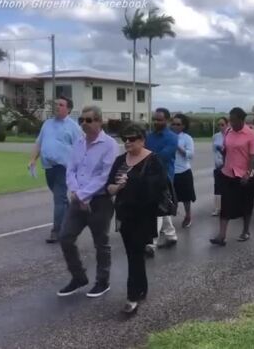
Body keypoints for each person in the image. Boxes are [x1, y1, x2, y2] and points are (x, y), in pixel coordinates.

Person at [57, 105, 119, 298]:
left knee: (101, 242)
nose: (84, 123)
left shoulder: (110, 145)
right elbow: (71, 170)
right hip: (78, 200)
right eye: (81, 120)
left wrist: (84, 195)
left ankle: (102, 281)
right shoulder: (78, 142)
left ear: (99, 122)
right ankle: (78, 277)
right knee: (65, 237)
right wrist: (76, 193)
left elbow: (104, 175)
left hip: (100, 201)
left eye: (89, 120)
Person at [106, 124, 167, 314]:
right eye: (125, 138)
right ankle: (142, 288)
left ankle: (132, 296)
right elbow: (109, 187)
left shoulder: (153, 160)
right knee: (134, 254)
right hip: (124, 214)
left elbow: (159, 186)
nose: (127, 142)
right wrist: (118, 187)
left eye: (132, 139)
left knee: (135, 254)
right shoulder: (119, 160)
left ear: (142, 139)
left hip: (143, 215)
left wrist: (132, 181)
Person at [29, 96, 83, 243]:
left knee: (58, 198)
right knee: (61, 199)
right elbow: (39, 143)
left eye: (61, 105)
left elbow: (81, 149)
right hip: (48, 167)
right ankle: (72, 219)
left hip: (63, 167)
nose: (57, 107)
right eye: (55, 104)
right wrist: (33, 159)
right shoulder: (47, 124)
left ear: (68, 109)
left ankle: (57, 231)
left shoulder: (74, 127)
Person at [210, 107, 254, 245]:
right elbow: (226, 149)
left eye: (234, 120)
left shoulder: (251, 134)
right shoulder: (229, 131)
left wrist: (247, 174)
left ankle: (245, 231)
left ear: (242, 120)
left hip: (245, 175)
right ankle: (221, 236)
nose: (231, 123)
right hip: (228, 173)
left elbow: (253, 157)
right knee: (225, 204)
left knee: (246, 205)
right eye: (230, 120)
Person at [146, 108, 179, 251]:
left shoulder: (172, 137)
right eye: (155, 119)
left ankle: (151, 242)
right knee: (161, 206)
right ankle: (171, 235)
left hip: (165, 177)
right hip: (149, 176)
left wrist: (147, 156)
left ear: (166, 120)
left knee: (156, 208)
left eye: (159, 119)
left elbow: (161, 157)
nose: (156, 122)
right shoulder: (149, 136)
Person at [171, 114, 196, 229]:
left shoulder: (187, 138)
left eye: (178, 124)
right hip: (170, 172)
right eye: (173, 123)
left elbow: (190, 155)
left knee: (186, 197)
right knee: (169, 197)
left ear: (183, 126)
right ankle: (167, 222)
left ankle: (188, 216)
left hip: (183, 171)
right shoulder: (168, 136)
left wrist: (177, 146)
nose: (175, 126)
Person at [211, 117, 228, 216]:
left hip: (227, 165)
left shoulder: (230, 136)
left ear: (227, 125)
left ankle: (226, 207)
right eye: (219, 125)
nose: (221, 127)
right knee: (217, 187)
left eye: (223, 125)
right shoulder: (215, 136)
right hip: (218, 165)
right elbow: (214, 151)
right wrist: (217, 162)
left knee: (227, 187)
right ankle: (217, 208)